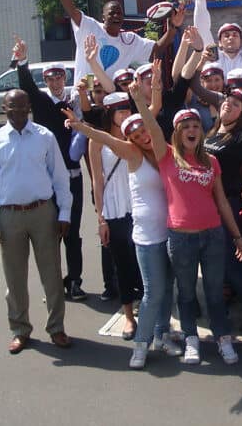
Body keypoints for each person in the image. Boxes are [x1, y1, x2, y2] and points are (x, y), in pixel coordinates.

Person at [136, 92, 242, 365]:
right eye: (185, 126)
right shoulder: (166, 156)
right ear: (177, 133)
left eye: (196, 126)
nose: (191, 130)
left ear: (202, 130)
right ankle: (191, 339)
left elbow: (222, 201)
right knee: (186, 293)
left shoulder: (212, 161)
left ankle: (223, 338)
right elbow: (151, 126)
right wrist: (140, 101)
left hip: (212, 235)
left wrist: (237, 236)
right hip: (180, 238)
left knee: (214, 292)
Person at [63, 106, 182, 369]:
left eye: (144, 131)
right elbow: (106, 140)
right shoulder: (133, 153)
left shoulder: (164, 153)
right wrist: (82, 128)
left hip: (171, 230)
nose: (142, 136)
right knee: (153, 291)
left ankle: (161, 335)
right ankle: (141, 344)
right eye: (136, 134)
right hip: (147, 234)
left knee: (166, 288)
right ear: (131, 140)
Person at [0, 89, 73, 354]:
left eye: (23, 108)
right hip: (9, 216)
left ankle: (56, 328)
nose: (18, 113)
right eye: (13, 108)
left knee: (52, 274)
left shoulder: (44, 137)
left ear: (29, 107)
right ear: (4, 109)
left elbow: (60, 178)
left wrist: (64, 213)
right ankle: (20, 330)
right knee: (15, 278)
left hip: (43, 212)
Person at [10, 38, 87, 301]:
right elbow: (27, 86)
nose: (55, 82)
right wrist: (22, 61)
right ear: (46, 80)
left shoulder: (75, 104)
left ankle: (75, 281)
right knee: (50, 234)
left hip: (73, 177)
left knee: (73, 234)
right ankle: (54, 283)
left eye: (59, 77)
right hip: (48, 181)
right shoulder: (41, 102)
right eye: (50, 78)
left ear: (64, 78)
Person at [203, 87, 242, 335]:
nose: (229, 105)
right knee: (215, 263)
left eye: (236, 104)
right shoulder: (211, 131)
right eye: (227, 101)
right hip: (207, 205)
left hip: (229, 204)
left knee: (232, 263)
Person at [46, 0, 183, 76]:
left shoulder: (130, 40)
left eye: (119, 13)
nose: (116, 16)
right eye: (112, 13)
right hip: (85, 96)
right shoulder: (90, 27)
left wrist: (172, 28)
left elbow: (156, 49)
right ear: (103, 17)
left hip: (113, 100)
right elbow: (73, 11)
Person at [90, 91, 143, 341]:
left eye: (127, 110)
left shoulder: (137, 134)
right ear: (110, 115)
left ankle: (150, 312)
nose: (125, 115)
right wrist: (101, 218)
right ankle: (129, 317)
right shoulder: (97, 141)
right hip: (114, 209)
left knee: (144, 264)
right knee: (122, 265)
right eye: (120, 111)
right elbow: (97, 181)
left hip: (140, 207)